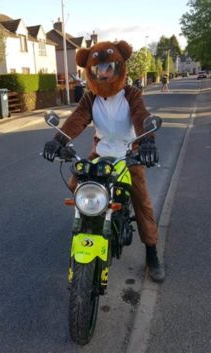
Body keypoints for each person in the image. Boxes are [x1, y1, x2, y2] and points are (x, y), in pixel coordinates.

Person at [43, 40, 165, 283]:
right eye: (98, 70)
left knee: (142, 202)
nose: (104, 73)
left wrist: (147, 141)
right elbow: (77, 119)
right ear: (91, 72)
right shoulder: (90, 98)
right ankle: (90, 221)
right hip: (101, 153)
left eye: (109, 68)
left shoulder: (131, 94)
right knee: (74, 182)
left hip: (130, 155)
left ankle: (152, 254)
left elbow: (141, 116)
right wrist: (58, 140)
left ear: (118, 67)